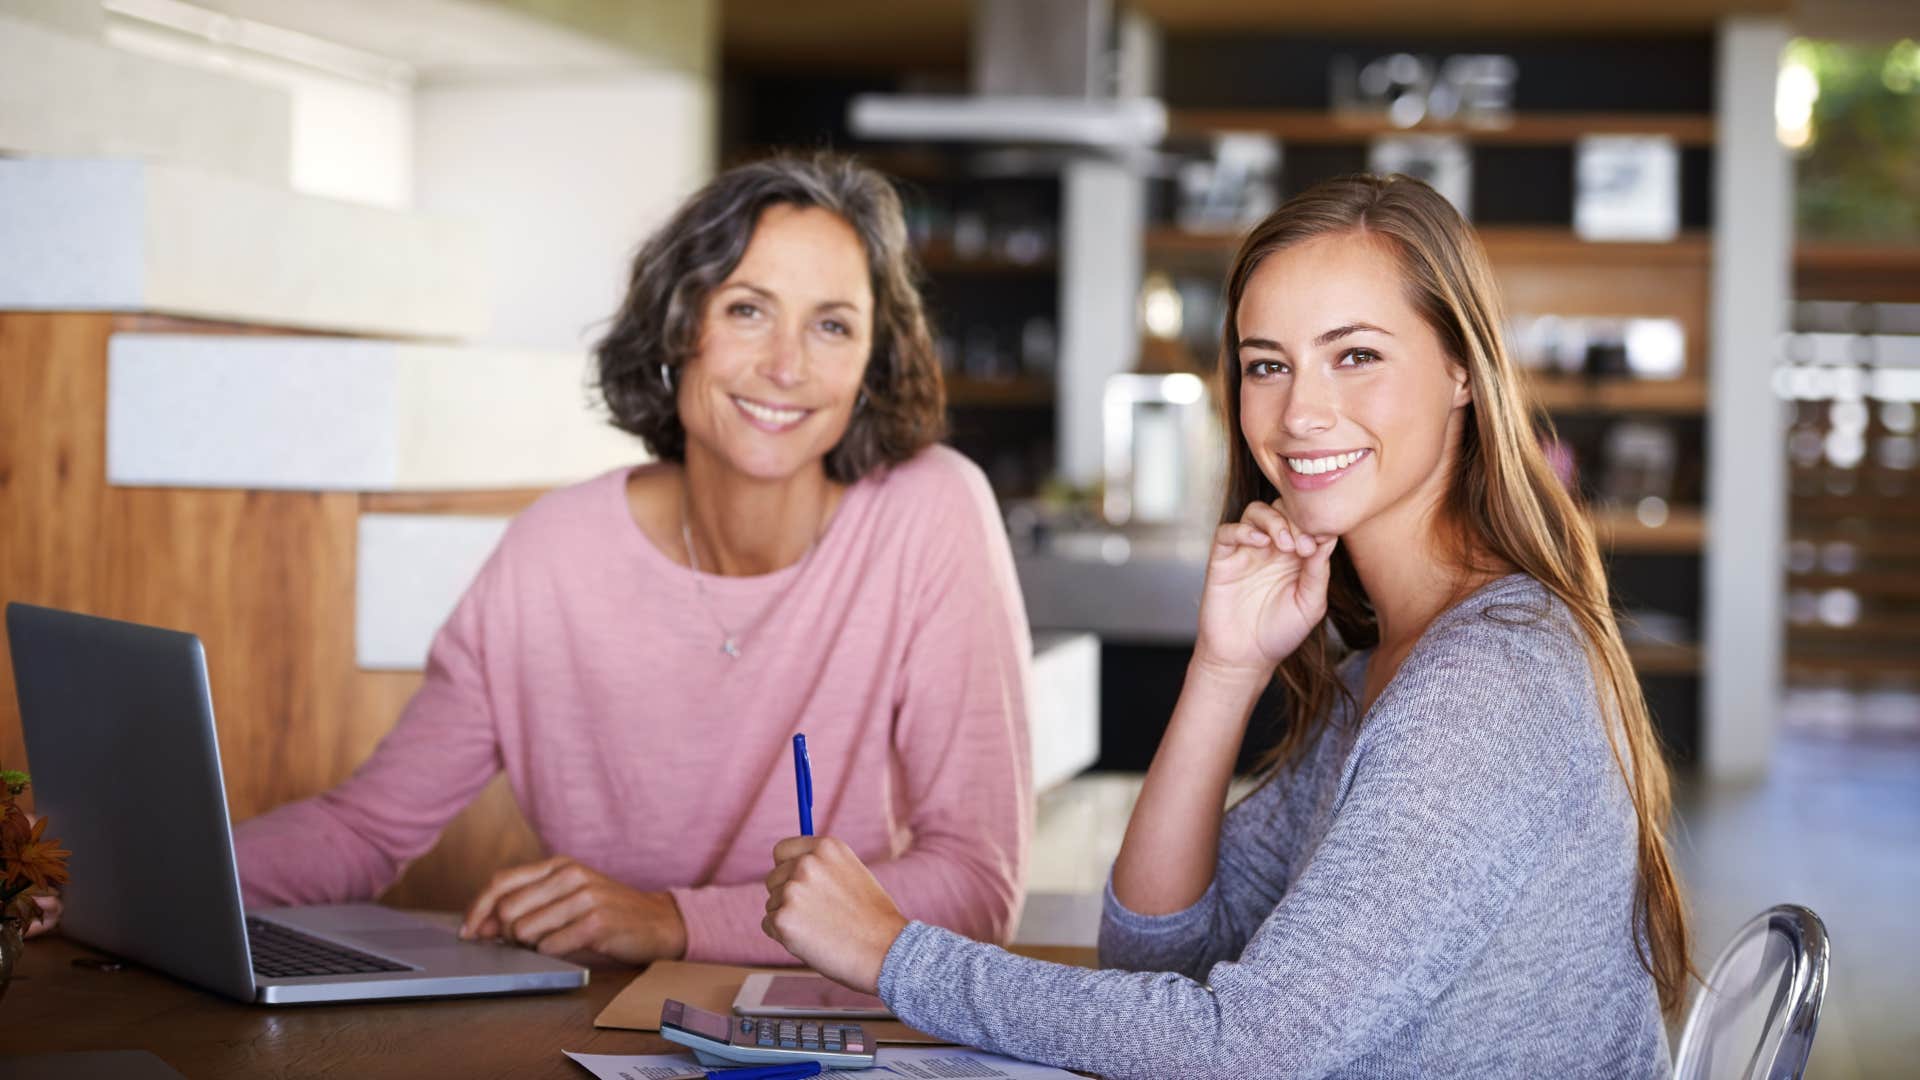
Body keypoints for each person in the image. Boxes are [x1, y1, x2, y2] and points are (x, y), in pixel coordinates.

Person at [761, 173, 1692, 1077]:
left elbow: (1244, 1049)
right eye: (1267, 365)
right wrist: (1224, 666)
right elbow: (1154, 952)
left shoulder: (1485, 683)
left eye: (1356, 354)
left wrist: (890, 952)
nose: (1301, 412)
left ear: (1460, 369)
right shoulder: (1384, 665)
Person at [228, 154, 1034, 966]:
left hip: (835, 1041)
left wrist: (673, 921)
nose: (787, 366)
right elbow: (366, 829)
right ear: (679, 329)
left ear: (871, 363)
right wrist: (138, 872)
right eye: (748, 309)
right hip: (601, 1033)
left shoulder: (930, 511)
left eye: (832, 325)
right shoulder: (553, 553)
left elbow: (977, 891)